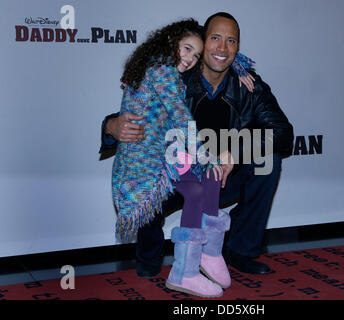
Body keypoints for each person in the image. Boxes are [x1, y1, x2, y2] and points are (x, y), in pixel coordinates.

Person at [100, 12, 294, 280]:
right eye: (215, 38)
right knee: (147, 171)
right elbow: (140, 111)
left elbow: (283, 132)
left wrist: (236, 152)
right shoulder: (177, 75)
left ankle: (239, 250)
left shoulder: (249, 86)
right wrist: (111, 126)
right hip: (174, 176)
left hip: (219, 176)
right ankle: (149, 255)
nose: (222, 48)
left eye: (231, 41)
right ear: (203, 42)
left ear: (238, 48)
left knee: (267, 161)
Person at [112, 18, 257, 298]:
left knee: (212, 177)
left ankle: (207, 255)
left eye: (195, 54)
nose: (190, 59)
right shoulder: (160, 71)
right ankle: (186, 270)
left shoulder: (166, 69)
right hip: (145, 166)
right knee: (201, 184)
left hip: (167, 154)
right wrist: (203, 154)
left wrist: (239, 65)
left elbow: (221, 57)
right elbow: (180, 116)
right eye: (186, 49)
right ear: (171, 44)